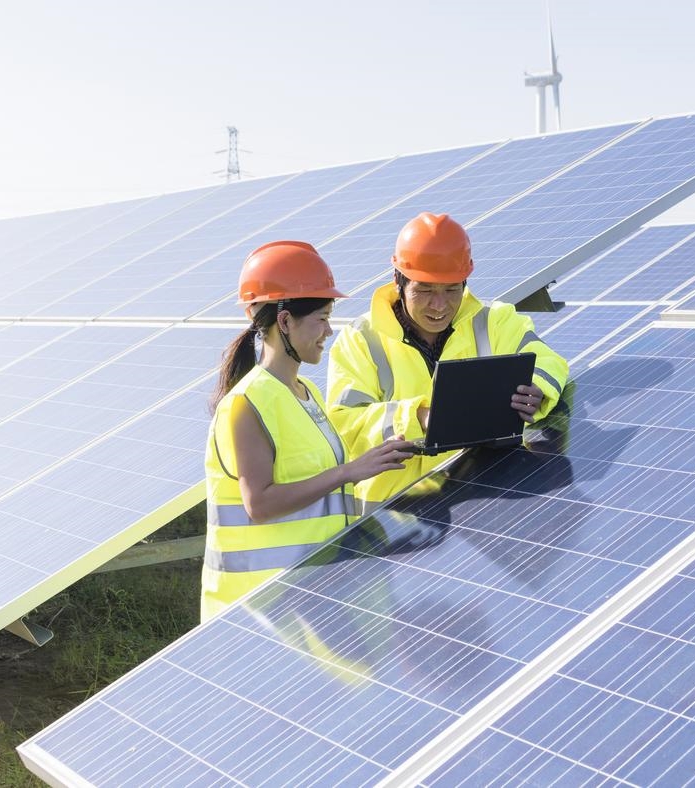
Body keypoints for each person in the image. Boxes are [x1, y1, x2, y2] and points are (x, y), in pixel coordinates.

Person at [203, 240, 415, 622]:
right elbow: (260, 504)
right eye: (321, 317)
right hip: (256, 615)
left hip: (310, 602)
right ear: (284, 322)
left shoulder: (307, 393)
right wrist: (349, 471)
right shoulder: (246, 404)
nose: (329, 330)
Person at [327, 212, 569, 511]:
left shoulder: (494, 320)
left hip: (482, 500)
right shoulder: (361, 339)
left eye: (452, 290)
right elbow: (343, 427)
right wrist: (418, 418)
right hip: (396, 514)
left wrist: (538, 387)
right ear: (398, 281)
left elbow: (549, 360)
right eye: (425, 291)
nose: (439, 306)